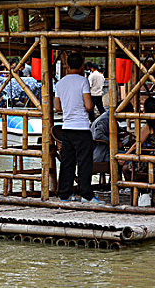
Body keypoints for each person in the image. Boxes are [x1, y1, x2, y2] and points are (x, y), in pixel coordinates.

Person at [54, 52, 98, 203]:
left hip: (67, 127)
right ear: (81, 65)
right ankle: (86, 193)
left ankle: (64, 194)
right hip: (81, 127)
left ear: (67, 65)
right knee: (85, 162)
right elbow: (89, 105)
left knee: (67, 162)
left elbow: (57, 107)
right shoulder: (83, 81)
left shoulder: (60, 83)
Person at [120, 97, 155, 174]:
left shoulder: (148, 126)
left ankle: (134, 185)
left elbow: (136, 144)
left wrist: (124, 157)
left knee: (126, 168)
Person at [91, 102, 133, 182]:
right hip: (101, 154)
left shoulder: (109, 117)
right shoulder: (105, 119)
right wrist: (114, 143)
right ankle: (129, 184)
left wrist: (123, 131)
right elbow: (97, 135)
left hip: (105, 151)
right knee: (130, 158)